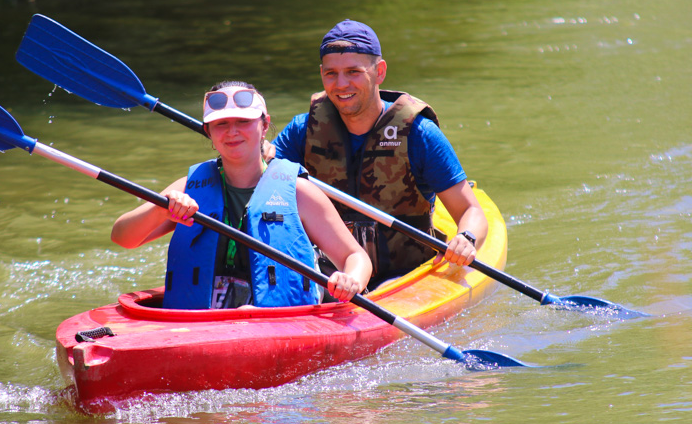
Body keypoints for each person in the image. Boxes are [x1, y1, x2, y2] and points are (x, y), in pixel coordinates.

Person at [111, 81, 372, 309]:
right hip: (200, 324)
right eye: (221, 124)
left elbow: (355, 257)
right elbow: (122, 237)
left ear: (264, 124)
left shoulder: (299, 192)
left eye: (243, 122)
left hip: (281, 321)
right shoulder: (187, 189)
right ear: (208, 133)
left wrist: (350, 280)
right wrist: (160, 208)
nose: (232, 131)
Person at [270, 20, 489, 288]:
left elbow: (471, 210)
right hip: (331, 277)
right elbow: (254, 180)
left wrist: (466, 238)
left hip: (405, 277)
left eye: (353, 72)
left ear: (379, 71)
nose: (341, 84)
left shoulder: (419, 133)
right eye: (331, 74)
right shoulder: (302, 131)